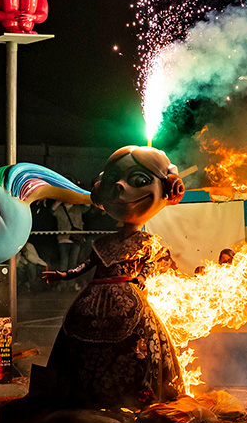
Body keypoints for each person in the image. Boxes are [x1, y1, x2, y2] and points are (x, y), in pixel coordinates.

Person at [41, 146, 185, 408]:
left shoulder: (149, 242)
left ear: (169, 188)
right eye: (111, 181)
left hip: (128, 300)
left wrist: (140, 280)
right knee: (79, 340)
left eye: (138, 180)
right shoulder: (104, 242)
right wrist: (64, 275)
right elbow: (86, 265)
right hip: (92, 299)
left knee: (134, 345)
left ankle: (135, 395)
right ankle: (82, 393)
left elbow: (150, 265)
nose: (119, 186)